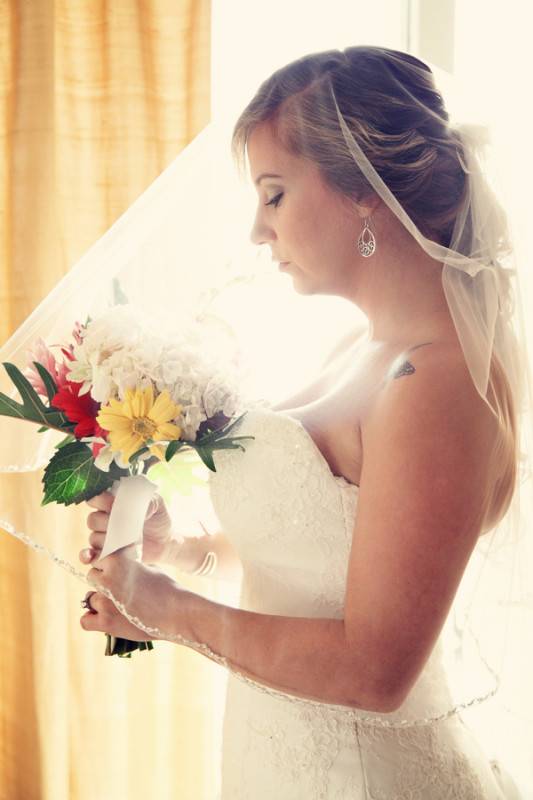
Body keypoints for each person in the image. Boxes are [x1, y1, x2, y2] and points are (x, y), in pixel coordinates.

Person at [79, 46, 526, 797]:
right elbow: (318, 559)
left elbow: (376, 669)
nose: (258, 229)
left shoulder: (435, 380)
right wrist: (182, 552)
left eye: (275, 194)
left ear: (362, 195)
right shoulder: (365, 349)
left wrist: (166, 611)